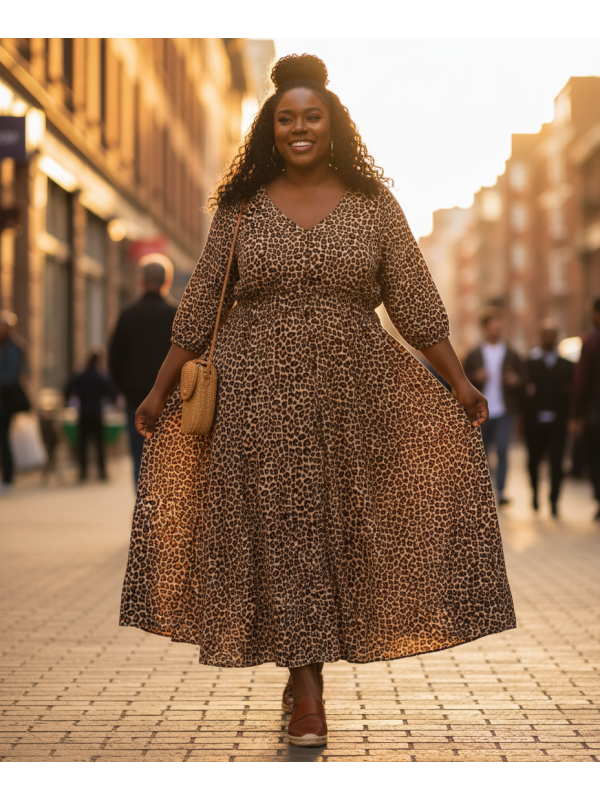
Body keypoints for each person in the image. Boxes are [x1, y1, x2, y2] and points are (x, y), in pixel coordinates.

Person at [119, 54, 516, 748]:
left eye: (312, 117)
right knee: (282, 534)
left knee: (336, 535)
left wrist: (457, 380)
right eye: (286, 118)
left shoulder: (374, 206)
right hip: (254, 398)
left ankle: (305, 668)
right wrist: (158, 392)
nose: (299, 128)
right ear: (269, 129)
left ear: (334, 127)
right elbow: (202, 301)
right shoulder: (240, 207)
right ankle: (308, 694)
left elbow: (417, 304)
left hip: (353, 398)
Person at [108, 254, 177, 488]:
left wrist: (123, 388)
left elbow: (114, 358)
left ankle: (143, 504)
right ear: (167, 281)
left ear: (141, 281)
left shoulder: (127, 316)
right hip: (171, 397)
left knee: (139, 452)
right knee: (168, 452)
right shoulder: (176, 315)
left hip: (135, 397)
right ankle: (164, 503)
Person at [464, 311, 524, 505]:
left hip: (504, 411)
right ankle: (484, 491)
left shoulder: (512, 353)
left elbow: (525, 378)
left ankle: (501, 491)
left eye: (499, 327)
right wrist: (476, 377)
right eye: (492, 327)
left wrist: (516, 380)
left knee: (502, 448)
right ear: (484, 329)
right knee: (482, 453)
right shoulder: (474, 354)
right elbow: (462, 379)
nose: (496, 331)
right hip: (480, 411)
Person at [523, 320, 573, 517]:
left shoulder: (566, 365)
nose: (548, 339)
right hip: (534, 421)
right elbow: (523, 392)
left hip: (558, 422)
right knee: (533, 460)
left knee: (557, 461)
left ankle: (554, 501)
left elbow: (572, 392)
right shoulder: (530, 363)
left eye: (552, 335)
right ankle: (535, 494)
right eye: (546, 335)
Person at [65, 348, 117, 482]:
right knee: (99, 444)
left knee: (83, 444)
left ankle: (83, 473)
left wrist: (69, 401)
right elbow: (112, 394)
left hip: (83, 414)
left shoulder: (80, 376)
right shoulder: (101, 377)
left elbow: (67, 389)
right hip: (97, 413)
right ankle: (102, 472)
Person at [570, 297, 600, 519]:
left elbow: (582, 382)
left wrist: (575, 414)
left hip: (594, 413)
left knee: (595, 457)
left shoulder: (590, 342)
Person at [0, 310, 28, 494]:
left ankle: (8, 477)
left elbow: (13, 374)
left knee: (4, 438)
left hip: (6, 399)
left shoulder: (15, 347)